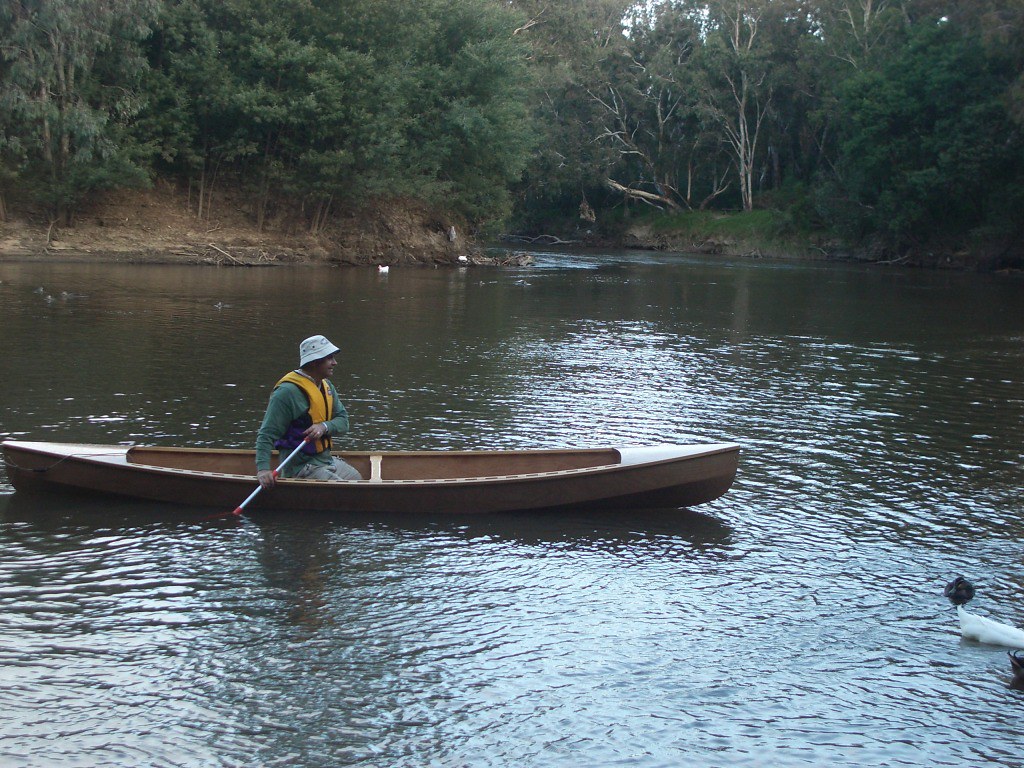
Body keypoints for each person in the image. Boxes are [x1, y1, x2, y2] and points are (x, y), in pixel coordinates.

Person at [255, 334, 362, 488]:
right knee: (344, 490)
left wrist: (324, 427)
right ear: (314, 362)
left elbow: (343, 422)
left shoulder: (327, 386)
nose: (334, 363)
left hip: (325, 460)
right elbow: (266, 433)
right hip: (300, 467)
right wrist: (263, 469)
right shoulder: (286, 392)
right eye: (329, 358)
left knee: (356, 478)